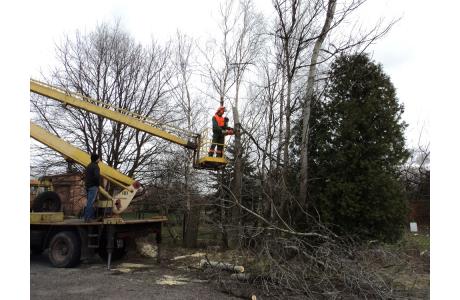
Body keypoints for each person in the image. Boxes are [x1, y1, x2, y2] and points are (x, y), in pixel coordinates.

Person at [84, 153, 101, 222]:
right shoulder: (96, 166)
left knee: (89, 202)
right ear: (96, 159)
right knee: (90, 202)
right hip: (93, 186)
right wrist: (98, 185)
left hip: (88, 186)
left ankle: (88, 217)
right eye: (99, 158)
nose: (99, 160)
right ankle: (88, 218)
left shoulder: (88, 166)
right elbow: (96, 177)